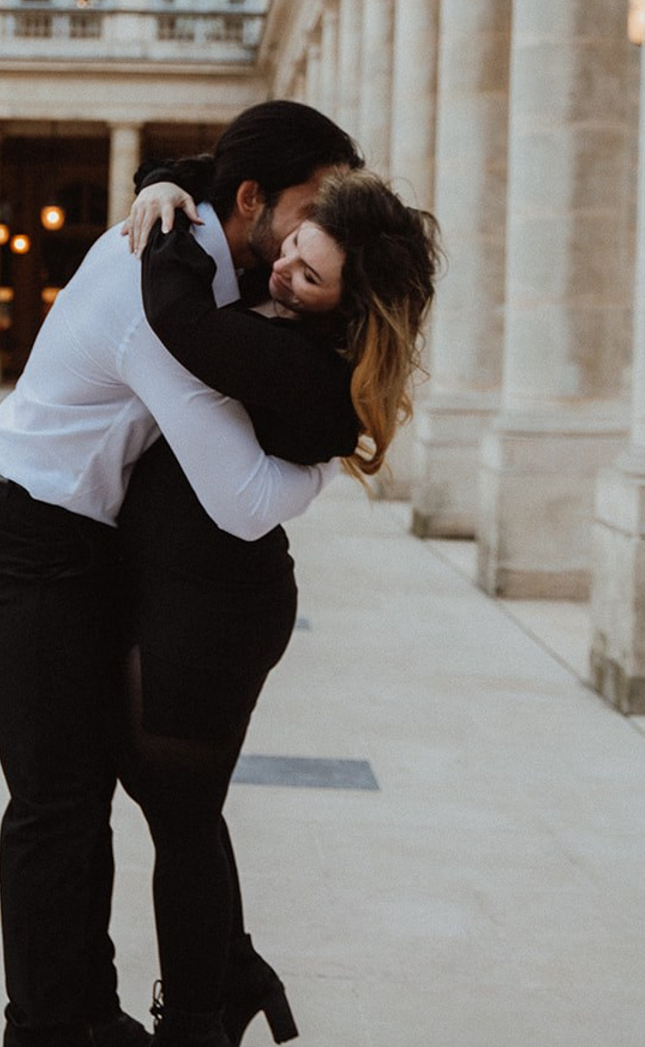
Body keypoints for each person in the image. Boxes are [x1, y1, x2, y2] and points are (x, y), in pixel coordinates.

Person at [0, 101, 364, 1047]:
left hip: (85, 541)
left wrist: (163, 177)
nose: (313, 230)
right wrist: (333, 463)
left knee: (116, 793)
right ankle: (53, 1026)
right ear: (251, 198)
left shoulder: (207, 251)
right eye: (308, 205)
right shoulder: (160, 290)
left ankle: (123, 1001)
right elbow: (243, 498)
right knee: (57, 802)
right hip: (29, 538)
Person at [114, 166, 440, 1046]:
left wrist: (166, 215)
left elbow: (175, 316)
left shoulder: (301, 362)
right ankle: (237, 971)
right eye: (294, 245)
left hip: (214, 611)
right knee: (175, 802)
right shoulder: (287, 321)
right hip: (192, 592)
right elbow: (253, 177)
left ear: (349, 305)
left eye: (310, 274)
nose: (283, 268)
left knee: (180, 818)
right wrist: (173, 176)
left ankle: (194, 1023)